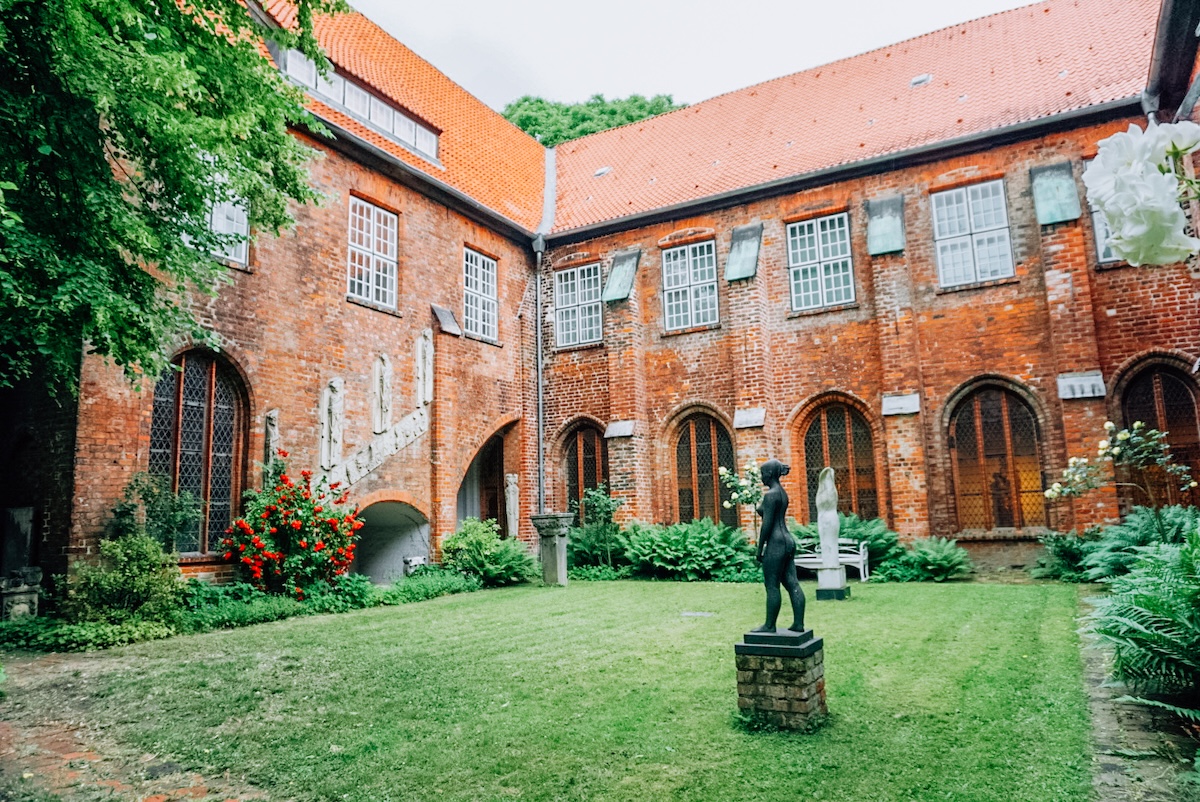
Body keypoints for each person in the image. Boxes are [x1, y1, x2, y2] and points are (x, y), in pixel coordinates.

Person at [752, 459, 806, 633]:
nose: (761, 477)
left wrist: (760, 549)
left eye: (762, 474)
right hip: (787, 540)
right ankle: (798, 624)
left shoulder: (770, 495)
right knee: (792, 583)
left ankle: (769, 625)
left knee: (772, 585)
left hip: (776, 543)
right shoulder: (782, 493)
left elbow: (767, 525)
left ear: (768, 474)